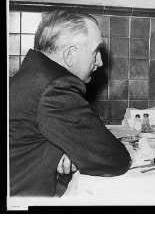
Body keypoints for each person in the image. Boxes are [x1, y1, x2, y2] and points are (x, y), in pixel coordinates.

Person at [9, 10, 131, 196]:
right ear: (70, 54)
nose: (99, 62)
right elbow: (113, 158)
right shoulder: (55, 88)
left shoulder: (33, 75)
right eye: (95, 51)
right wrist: (80, 151)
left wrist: (69, 150)